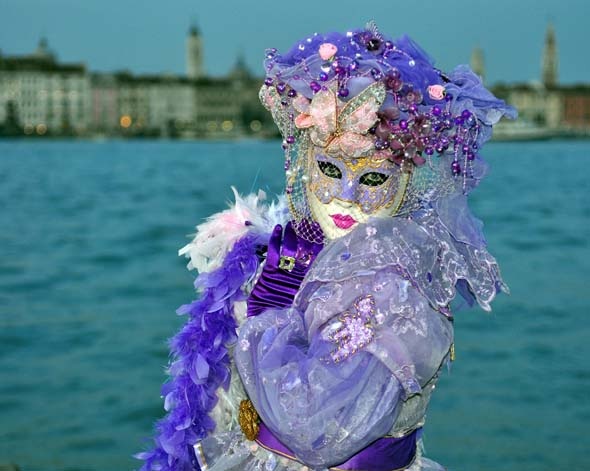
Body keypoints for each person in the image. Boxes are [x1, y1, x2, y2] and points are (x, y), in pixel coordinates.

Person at [137, 23, 516, 471]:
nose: (346, 196)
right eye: (330, 170)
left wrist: (268, 315)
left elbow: (314, 427)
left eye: (373, 178)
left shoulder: (397, 289)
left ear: (408, 184)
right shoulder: (289, 253)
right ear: (304, 163)